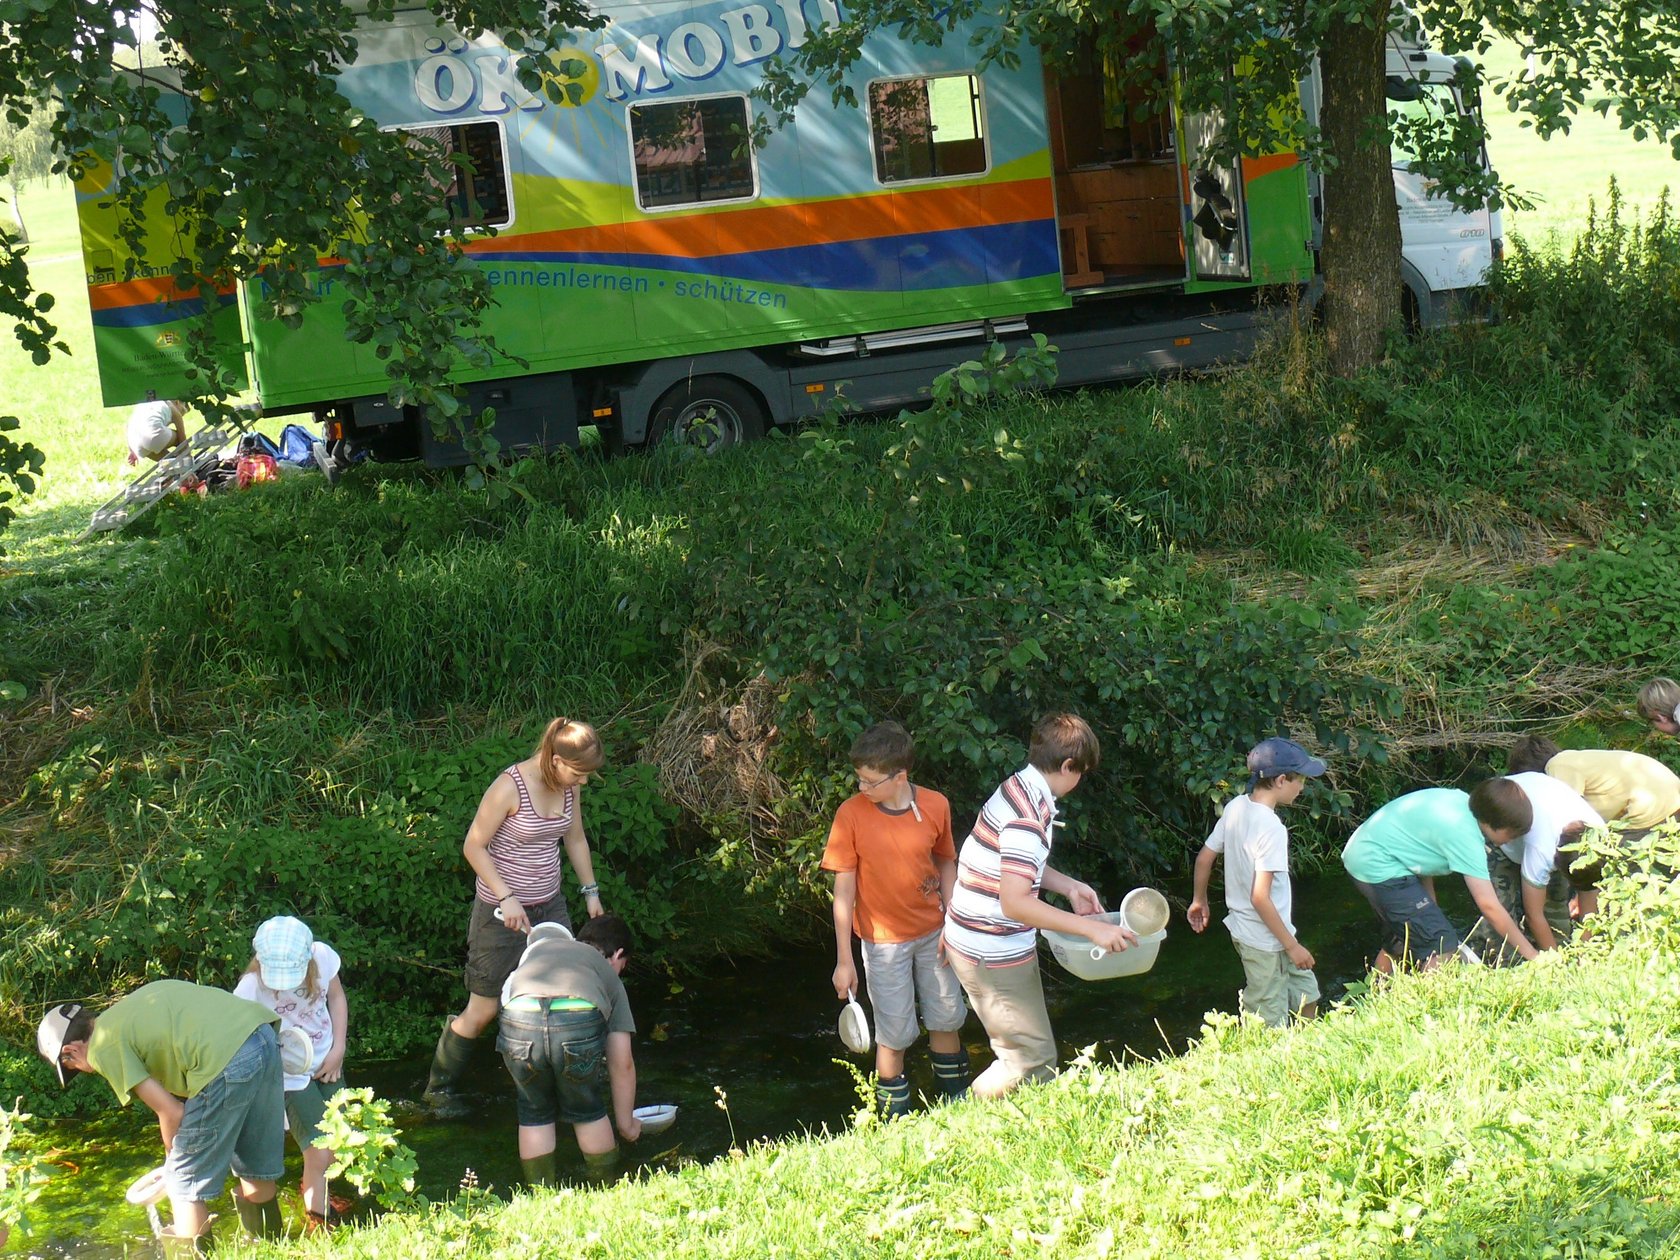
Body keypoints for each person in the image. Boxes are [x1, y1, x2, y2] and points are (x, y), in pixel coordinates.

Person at [942, 713, 1135, 1098]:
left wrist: (1070, 886)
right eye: (1081, 772)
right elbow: (1014, 902)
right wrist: (1093, 928)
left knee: (1030, 1055)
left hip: (977, 939)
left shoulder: (1018, 787)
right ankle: (964, 1117)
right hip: (990, 949)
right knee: (1031, 1062)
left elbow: (1015, 863)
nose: (1080, 781)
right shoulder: (1027, 817)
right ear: (1067, 766)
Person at [425, 718, 607, 1115]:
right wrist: (507, 897)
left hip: (551, 907)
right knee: (485, 1009)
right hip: (500, 912)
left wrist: (590, 892)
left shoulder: (569, 789)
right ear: (555, 759)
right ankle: (438, 1090)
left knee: (561, 998)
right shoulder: (510, 787)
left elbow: (574, 838)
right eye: (579, 773)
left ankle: (562, 1087)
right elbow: (473, 846)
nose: (583, 783)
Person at [35, 981, 286, 1248]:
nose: (82, 1071)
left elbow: (171, 1111)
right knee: (254, 1164)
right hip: (260, 1033)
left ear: (70, 1051)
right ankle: (271, 1247)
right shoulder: (128, 1011)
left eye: (72, 1067)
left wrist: (172, 1159)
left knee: (181, 1181)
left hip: (226, 1059)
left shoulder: (102, 1047)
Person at [823, 721, 969, 1117]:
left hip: (934, 933)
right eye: (859, 779)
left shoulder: (936, 805)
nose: (862, 789)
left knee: (946, 1017)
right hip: (882, 942)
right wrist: (844, 959)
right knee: (894, 1033)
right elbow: (844, 891)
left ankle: (957, 1110)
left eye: (870, 781)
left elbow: (945, 861)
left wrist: (953, 923)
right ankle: (894, 1125)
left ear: (900, 775)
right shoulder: (850, 815)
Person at [1187, 737, 1327, 1027]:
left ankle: (1307, 1050)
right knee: (1268, 1018)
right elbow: (1259, 897)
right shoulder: (1272, 829)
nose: (1302, 787)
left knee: (1307, 995)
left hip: (1270, 933)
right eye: (1299, 779)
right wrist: (1292, 946)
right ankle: (1275, 1062)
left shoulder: (1237, 806)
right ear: (1280, 780)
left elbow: (1204, 858)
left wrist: (1199, 900)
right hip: (1261, 941)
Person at [496, 916, 641, 1185]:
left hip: (518, 1016)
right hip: (577, 1017)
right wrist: (627, 1126)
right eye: (624, 964)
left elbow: (507, 996)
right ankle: (605, 1184)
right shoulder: (606, 972)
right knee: (586, 1109)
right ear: (618, 955)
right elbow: (622, 1064)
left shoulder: (540, 954)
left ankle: (540, 1193)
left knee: (533, 1110)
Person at [1341, 781, 1540, 971]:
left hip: (1365, 850)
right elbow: (1489, 906)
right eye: (1512, 836)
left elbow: (1421, 850)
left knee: (1405, 936)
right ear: (1497, 824)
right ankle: (1433, 1004)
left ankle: (1379, 994)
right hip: (1377, 863)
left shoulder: (1462, 803)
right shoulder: (1467, 837)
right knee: (1441, 943)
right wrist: (1533, 955)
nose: (1510, 842)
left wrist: (1428, 906)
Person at [231, 916, 348, 1231]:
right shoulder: (251, 987)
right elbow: (237, 1039)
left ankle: (310, 1190)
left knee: (342, 1142)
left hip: (327, 1057)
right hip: (289, 1075)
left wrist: (338, 1049)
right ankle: (320, 1223)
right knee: (319, 1150)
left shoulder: (322, 957)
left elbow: (336, 997)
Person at [1509, 737, 1680, 916]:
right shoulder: (1576, 760)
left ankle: (1610, 927)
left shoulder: (1557, 766)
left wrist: (1580, 890)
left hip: (1649, 806)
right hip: (1667, 795)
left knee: (1618, 874)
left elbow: (1567, 822)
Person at [1467, 768, 1604, 962]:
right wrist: (1554, 963)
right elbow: (1534, 914)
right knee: (1501, 913)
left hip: (1538, 820)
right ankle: (1501, 965)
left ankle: (1563, 956)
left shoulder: (1599, 838)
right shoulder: (1543, 849)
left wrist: (1585, 950)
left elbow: (1589, 889)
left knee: (1558, 916)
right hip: (1499, 822)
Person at [126, 399, 188, 466]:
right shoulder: (170, 405)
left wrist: (132, 450)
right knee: (178, 438)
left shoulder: (146, 403)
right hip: (154, 435)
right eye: (182, 411)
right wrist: (188, 457)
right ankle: (185, 468)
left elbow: (128, 426)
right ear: (177, 402)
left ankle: (176, 467)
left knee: (171, 462)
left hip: (135, 444)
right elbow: (182, 437)